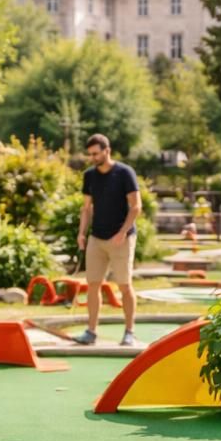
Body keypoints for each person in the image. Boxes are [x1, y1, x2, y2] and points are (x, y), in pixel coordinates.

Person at [74, 134, 142, 346]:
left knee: (124, 285)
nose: (93, 158)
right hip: (97, 237)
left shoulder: (124, 173)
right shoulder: (89, 176)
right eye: (90, 154)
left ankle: (129, 332)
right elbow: (86, 208)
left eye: (96, 153)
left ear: (107, 151)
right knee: (93, 284)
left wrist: (122, 232)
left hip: (122, 238)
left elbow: (136, 206)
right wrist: (82, 233)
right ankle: (91, 332)